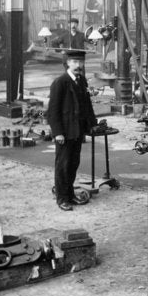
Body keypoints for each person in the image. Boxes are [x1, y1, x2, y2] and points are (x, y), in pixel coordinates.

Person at [46, 49, 97, 211]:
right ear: (67, 63)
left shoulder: (81, 81)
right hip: (65, 133)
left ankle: (70, 195)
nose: (78, 65)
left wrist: (92, 124)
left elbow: (87, 105)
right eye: (74, 62)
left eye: (80, 62)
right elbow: (52, 111)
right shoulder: (60, 82)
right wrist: (58, 132)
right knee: (62, 166)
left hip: (77, 132)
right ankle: (62, 198)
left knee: (73, 164)